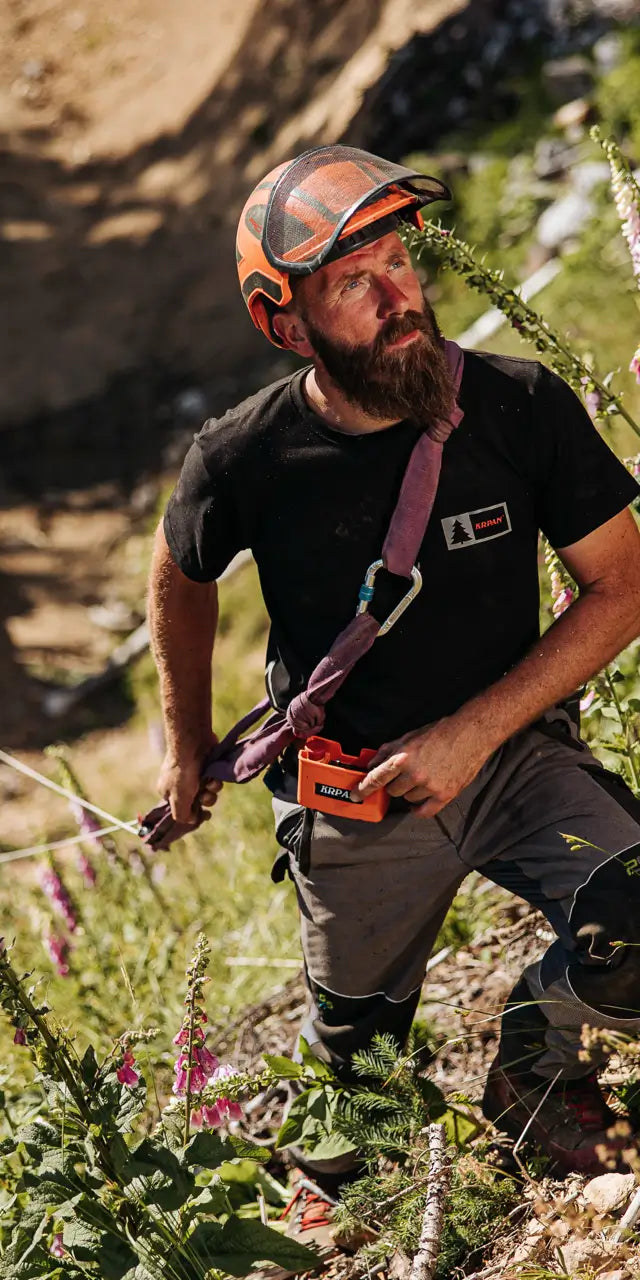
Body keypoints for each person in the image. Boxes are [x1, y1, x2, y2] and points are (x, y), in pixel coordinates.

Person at [149, 144, 640, 1256]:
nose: (397, 295)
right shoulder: (241, 457)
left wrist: (474, 730)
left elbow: (623, 586)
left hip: (516, 758)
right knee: (358, 1096)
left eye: (396, 261)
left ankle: (529, 1068)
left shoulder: (518, 405)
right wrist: (183, 742)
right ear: (286, 323)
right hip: (353, 795)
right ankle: (342, 1160)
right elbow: (178, 573)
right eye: (350, 282)